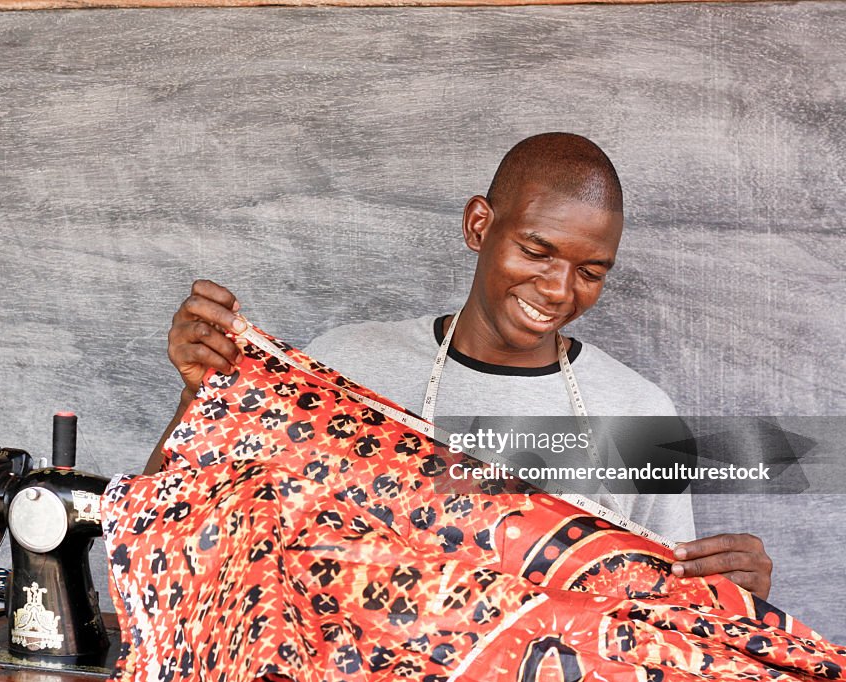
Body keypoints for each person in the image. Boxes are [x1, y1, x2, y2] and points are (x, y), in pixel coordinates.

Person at [148, 132, 773, 599]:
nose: (558, 289)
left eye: (590, 272)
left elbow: (661, 624)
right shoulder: (347, 369)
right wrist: (196, 400)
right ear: (480, 225)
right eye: (536, 250)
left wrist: (733, 599)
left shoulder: (640, 416)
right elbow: (178, 531)